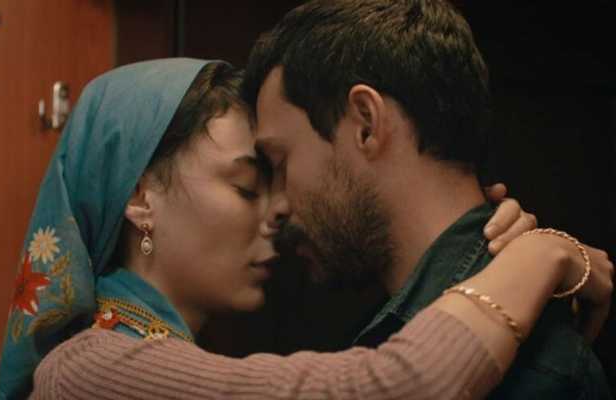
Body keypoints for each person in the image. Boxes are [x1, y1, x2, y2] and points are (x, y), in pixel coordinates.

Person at [0, 58, 613, 400]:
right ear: (140, 196)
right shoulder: (91, 371)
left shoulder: (161, 357)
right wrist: (538, 256)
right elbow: (397, 389)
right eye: (246, 187)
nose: (278, 214)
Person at [240, 0, 613, 398]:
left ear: (366, 124)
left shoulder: (535, 375)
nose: (276, 206)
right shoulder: (387, 328)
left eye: (279, 163)